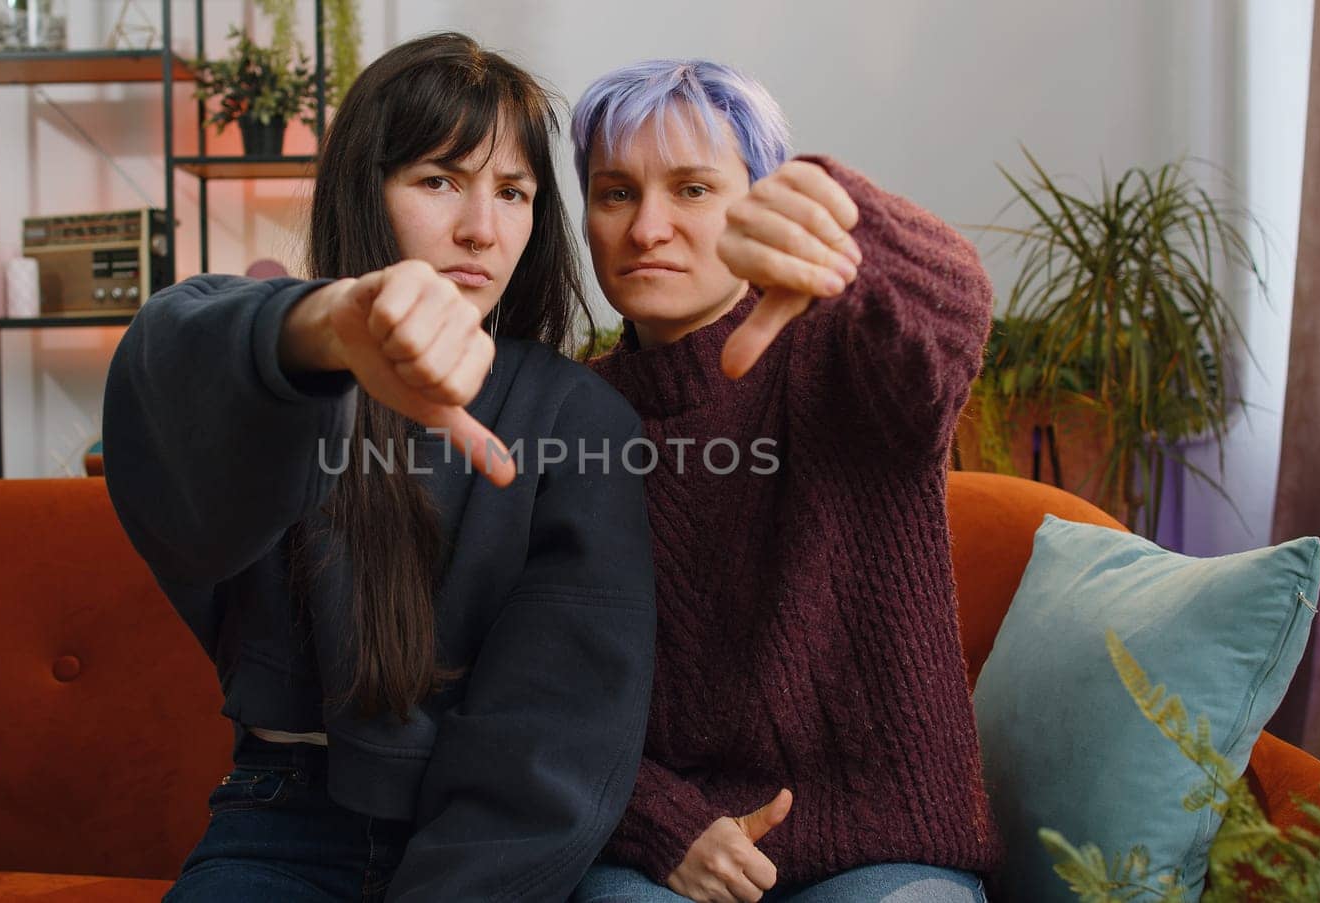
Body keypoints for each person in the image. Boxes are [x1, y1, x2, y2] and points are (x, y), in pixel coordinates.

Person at [102, 33, 657, 902]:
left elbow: (553, 749)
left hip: (494, 855)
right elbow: (169, 360)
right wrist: (318, 331)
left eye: (513, 192)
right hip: (279, 824)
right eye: (438, 180)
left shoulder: (579, 420)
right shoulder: (290, 376)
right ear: (367, 189)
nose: (481, 227)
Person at [567, 60, 1002, 902]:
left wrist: (846, 218)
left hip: (883, 848)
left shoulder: (845, 355)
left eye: (692, 189)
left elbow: (952, 317)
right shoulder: (568, 413)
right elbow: (537, 694)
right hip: (662, 851)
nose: (647, 226)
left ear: (760, 206)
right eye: (616, 192)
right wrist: (657, 822)